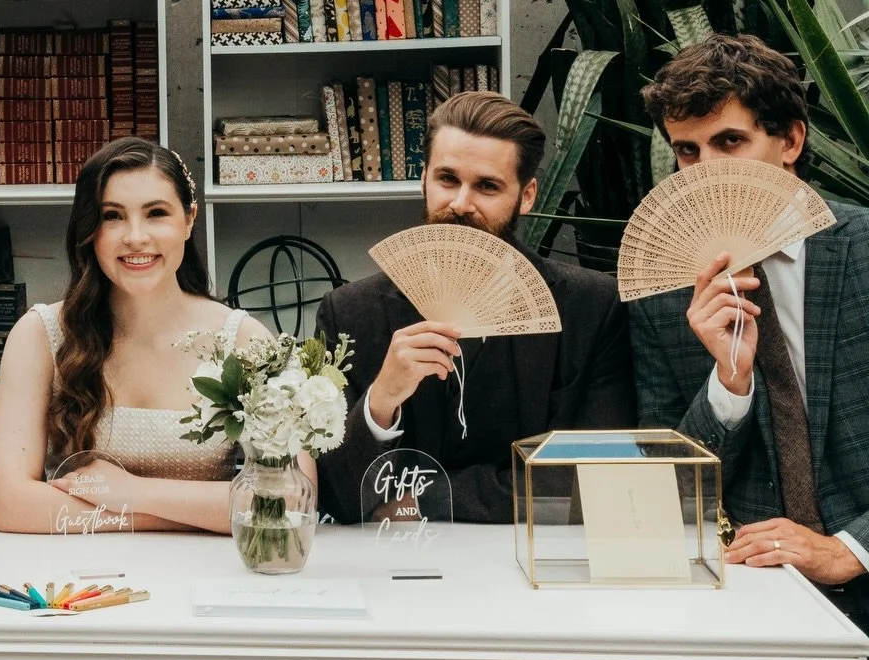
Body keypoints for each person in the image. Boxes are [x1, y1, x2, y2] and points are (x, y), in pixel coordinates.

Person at [630, 33, 869, 629]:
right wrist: (728, 384)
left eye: (728, 141)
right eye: (687, 151)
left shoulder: (864, 249)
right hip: (742, 596)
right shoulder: (662, 293)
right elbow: (664, 487)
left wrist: (850, 550)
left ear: (790, 140)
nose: (704, 172)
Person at [315, 91, 636, 524]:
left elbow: (595, 473)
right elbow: (331, 494)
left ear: (526, 196)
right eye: (447, 179)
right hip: (390, 564)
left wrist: (426, 500)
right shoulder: (350, 314)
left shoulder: (592, 309)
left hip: (535, 564)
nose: (461, 203)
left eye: (487, 186)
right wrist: (381, 400)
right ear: (424, 177)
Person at [0, 138, 287, 532]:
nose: (135, 237)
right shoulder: (40, 335)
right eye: (112, 216)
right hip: (77, 578)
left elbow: (286, 498)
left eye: (156, 213)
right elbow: (9, 503)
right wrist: (193, 514)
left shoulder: (244, 341)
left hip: (208, 578)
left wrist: (133, 492)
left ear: (189, 219)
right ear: (90, 230)